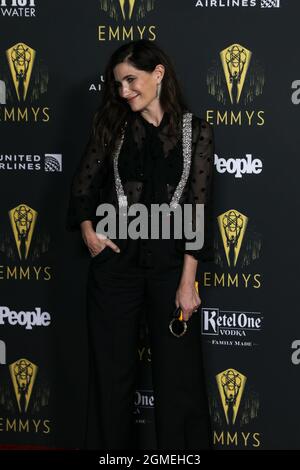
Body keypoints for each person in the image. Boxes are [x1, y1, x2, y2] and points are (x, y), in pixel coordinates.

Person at [67, 39, 214, 450]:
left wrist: (189, 283)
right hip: (116, 269)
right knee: (111, 376)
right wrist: (88, 230)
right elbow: (82, 186)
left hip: (171, 269)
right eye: (118, 84)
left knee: (179, 377)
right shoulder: (111, 128)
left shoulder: (195, 132)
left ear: (158, 74)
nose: (123, 91)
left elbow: (199, 210)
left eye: (131, 80)